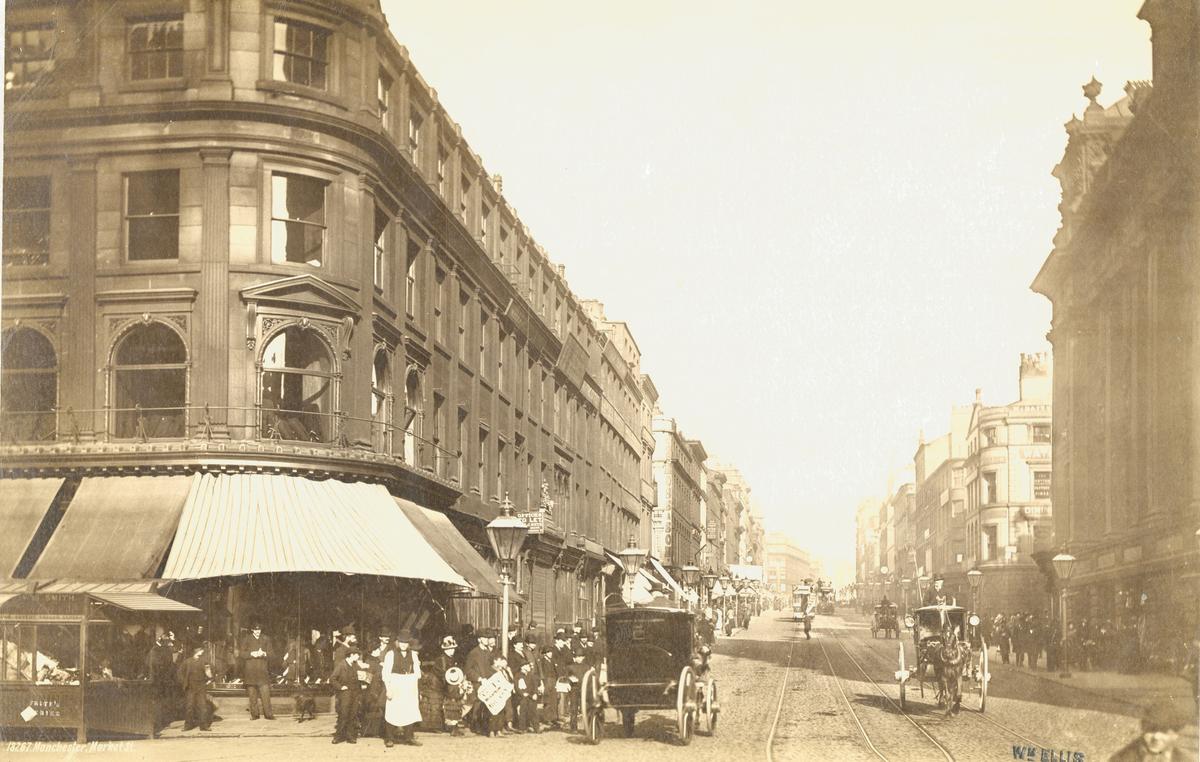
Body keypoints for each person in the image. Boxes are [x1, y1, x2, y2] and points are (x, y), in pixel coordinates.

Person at [1109, 699, 1192, 761]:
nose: (1156, 737)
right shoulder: (1122, 759)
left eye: (1163, 731)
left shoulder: (1184, 760)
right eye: (1151, 730)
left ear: (1175, 735)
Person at [382, 629, 423, 746]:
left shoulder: (413, 655)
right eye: (401, 642)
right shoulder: (390, 654)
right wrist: (388, 688)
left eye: (406, 643)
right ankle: (389, 738)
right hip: (395, 683)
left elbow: (418, 673)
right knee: (393, 710)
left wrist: (412, 680)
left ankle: (409, 737)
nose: (404, 645)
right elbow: (385, 673)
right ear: (398, 642)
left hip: (409, 685)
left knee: (410, 710)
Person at [432, 635, 468, 735]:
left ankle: (454, 725)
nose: (451, 651)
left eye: (453, 649)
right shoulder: (441, 660)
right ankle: (451, 726)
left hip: (452, 684)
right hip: (442, 685)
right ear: (445, 649)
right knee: (452, 700)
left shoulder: (454, 659)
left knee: (456, 700)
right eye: (449, 649)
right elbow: (440, 674)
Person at [239, 622, 275, 720]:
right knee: (252, 695)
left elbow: (272, 654)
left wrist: (264, 653)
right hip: (250, 671)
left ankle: (269, 715)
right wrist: (252, 654)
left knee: (266, 694)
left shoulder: (266, 639)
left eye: (259, 630)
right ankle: (255, 715)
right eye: (256, 630)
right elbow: (241, 654)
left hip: (262, 671)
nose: (258, 631)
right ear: (252, 630)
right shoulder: (246, 639)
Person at [330, 647, 362, 744]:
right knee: (344, 714)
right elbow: (332, 679)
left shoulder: (355, 665)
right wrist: (340, 687)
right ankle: (339, 736)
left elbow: (360, 676)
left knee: (353, 714)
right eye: (357, 655)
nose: (358, 657)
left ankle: (350, 736)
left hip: (355, 693)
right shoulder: (341, 665)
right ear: (351, 655)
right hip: (345, 694)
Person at [147, 630, 177, 736]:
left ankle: (162, 721)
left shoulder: (159, 650)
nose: (170, 643)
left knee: (161, 702)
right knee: (160, 702)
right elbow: (159, 667)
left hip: (161, 681)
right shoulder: (157, 651)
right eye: (168, 641)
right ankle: (160, 722)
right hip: (160, 681)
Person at [179, 646, 213, 732]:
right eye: (201, 651)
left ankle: (204, 726)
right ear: (196, 652)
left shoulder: (204, 661)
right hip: (190, 687)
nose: (202, 652)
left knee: (202, 706)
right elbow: (180, 673)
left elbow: (209, 674)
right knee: (189, 706)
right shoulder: (187, 662)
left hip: (201, 686)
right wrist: (184, 682)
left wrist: (210, 679)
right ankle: (188, 725)